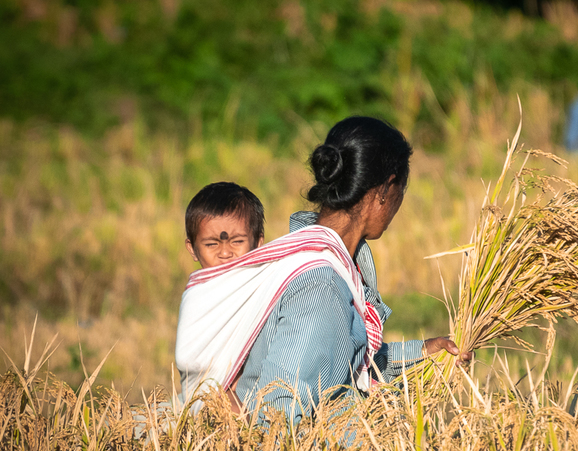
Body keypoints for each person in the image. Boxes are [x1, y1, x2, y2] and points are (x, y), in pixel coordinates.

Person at [227, 116, 468, 423]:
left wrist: (423, 353)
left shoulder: (336, 262)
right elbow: (279, 414)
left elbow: (348, 364)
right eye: (401, 190)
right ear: (385, 189)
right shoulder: (321, 285)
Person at [184, 182, 265, 268]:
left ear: (258, 243)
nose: (225, 254)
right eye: (211, 244)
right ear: (192, 249)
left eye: (237, 242)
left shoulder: (271, 276)